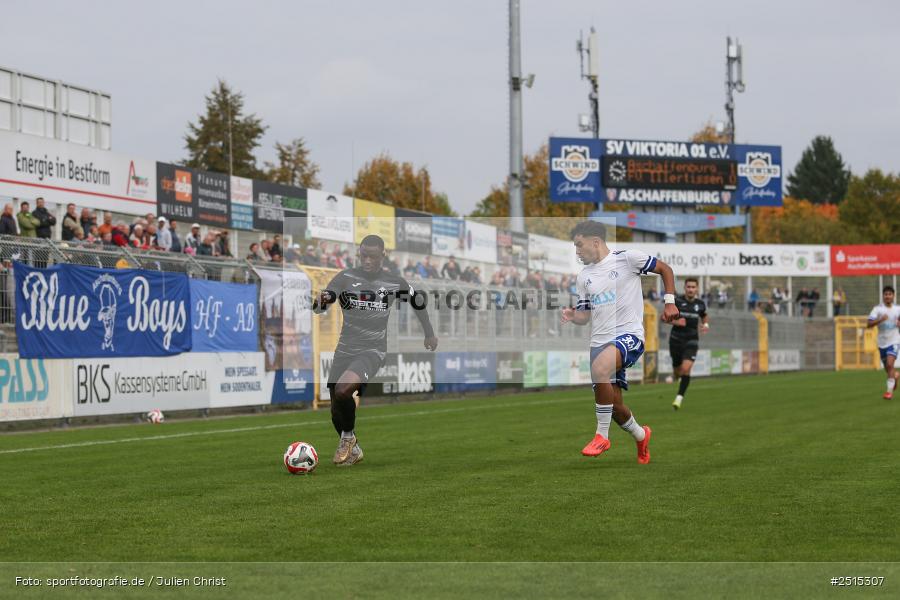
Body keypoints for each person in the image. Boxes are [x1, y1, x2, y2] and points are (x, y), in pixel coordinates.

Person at [312, 234, 438, 467]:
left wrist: (429, 333)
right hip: (344, 349)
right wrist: (322, 300)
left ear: (383, 255)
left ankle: (348, 438)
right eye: (363, 255)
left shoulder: (394, 282)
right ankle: (354, 448)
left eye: (372, 256)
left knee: (342, 391)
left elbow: (417, 302)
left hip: (372, 350)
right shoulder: (346, 277)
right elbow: (323, 303)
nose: (367, 260)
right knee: (336, 412)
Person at [560, 221, 678, 463]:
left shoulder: (627, 259)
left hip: (629, 335)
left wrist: (669, 302)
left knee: (600, 369)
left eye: (579, 245)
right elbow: (584, 317)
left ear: (596, 242)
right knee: (614, 406)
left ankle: (601, 436)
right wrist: (574, 316)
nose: (577, 251)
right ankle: (640, 434)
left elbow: (665, 269)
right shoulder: (584, 277)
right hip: (599, 343)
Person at [665, 278, 709, 410]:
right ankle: (676, 375)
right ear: (685, 288)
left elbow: (704, 315)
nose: (691, 289)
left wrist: (705, 324)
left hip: (692, 340)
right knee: (678, 370)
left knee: (685, 369)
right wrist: (677, 322)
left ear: (697, 289)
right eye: (688, 287)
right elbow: (664, 317)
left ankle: (679, 398)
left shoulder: (700, 304)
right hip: (676, 340)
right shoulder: (677, 302)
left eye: (693, 287)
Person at [867, 286, 900, 400]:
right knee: (888, 369)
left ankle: (889, 392)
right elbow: (868, 324)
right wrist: (880, 320)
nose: (888, 296)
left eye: (890, 294)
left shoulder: (898, 309)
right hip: (882, 343)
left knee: (890, 364)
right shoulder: (877, 309)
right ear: (883, 296)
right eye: (886, 294)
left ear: (893, 296)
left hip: (894, 341)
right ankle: (895, 376)